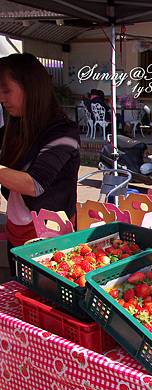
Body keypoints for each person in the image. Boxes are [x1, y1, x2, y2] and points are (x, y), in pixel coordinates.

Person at [0, 53, 80, 251]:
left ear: (30, 88)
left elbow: (34, 184)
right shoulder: (17, 125)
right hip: (16, 227)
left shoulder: (63, 132)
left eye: (6, 91)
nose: (1, 98)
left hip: (49, 234)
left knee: (38, 282)